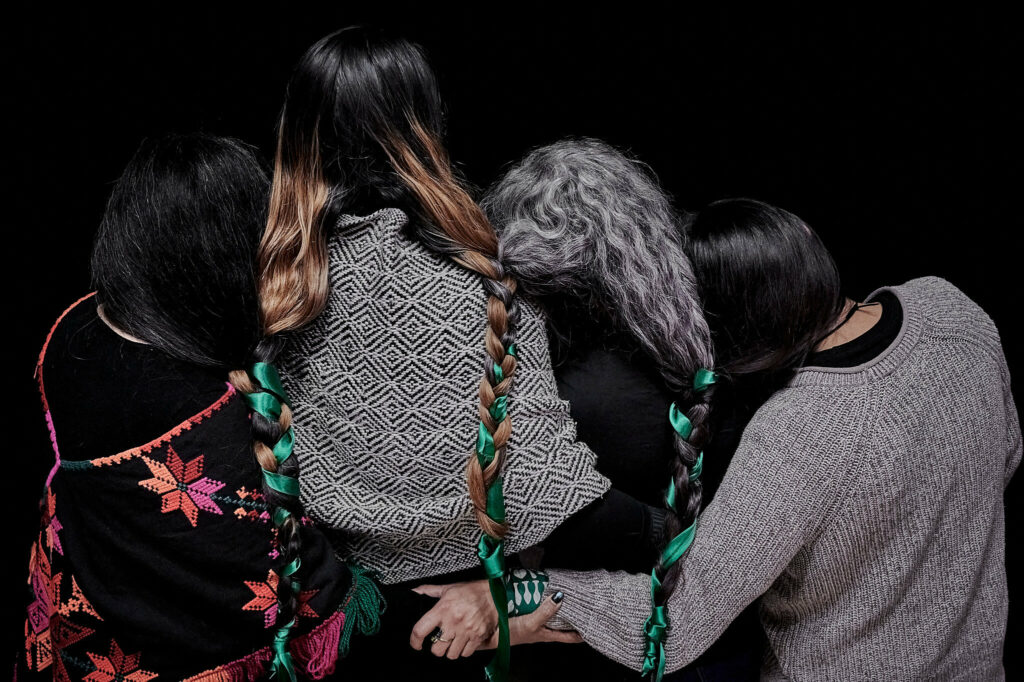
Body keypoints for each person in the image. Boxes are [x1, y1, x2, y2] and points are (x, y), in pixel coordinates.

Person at [435, 197, 1020, 680]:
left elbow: (678, 622)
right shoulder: (950, 309)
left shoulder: (799, 432)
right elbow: (1006, 456)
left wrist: (511, 593)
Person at [257, 27, 664, 681]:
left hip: (347, 619)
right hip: (497, 611)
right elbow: (544, 486)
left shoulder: (275, 289)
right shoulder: (483, 276)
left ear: (298, 131)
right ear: (423, 125)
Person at [17, 134, 362, 681]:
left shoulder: (68, 329)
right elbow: (304, 588)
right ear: (230, 255)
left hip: (74, 639)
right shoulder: (217, 423)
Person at [469, 138, 762, 680]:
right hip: (711, 634)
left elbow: (549, 517)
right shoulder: (732, 331)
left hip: (606, 636)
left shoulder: (560, 399)